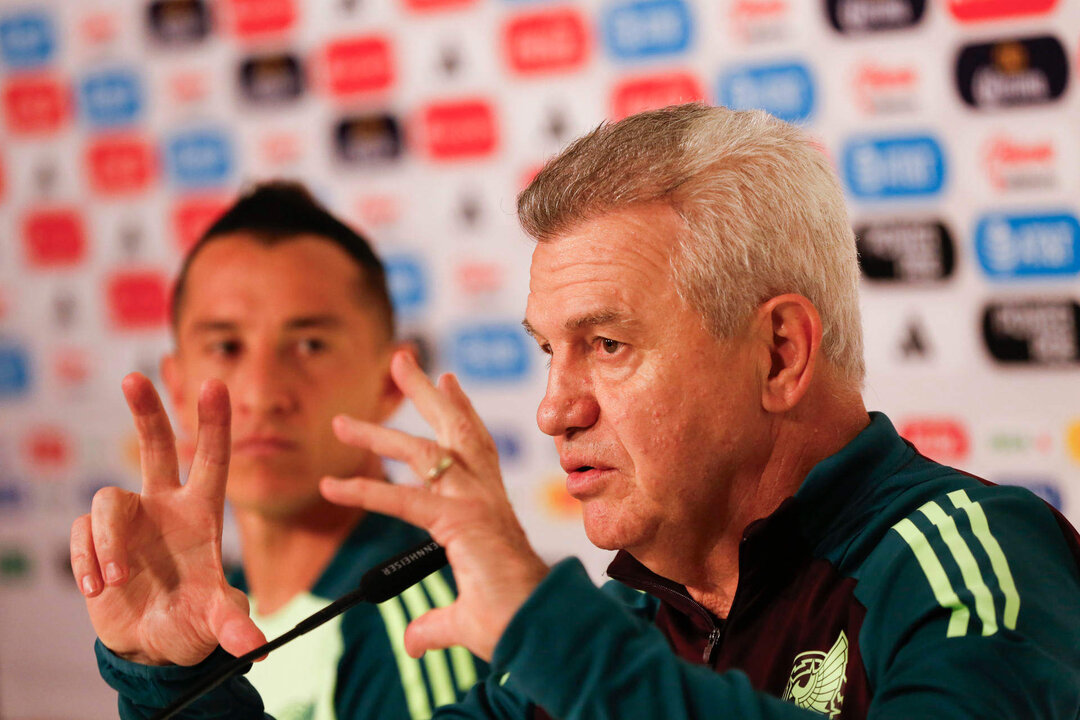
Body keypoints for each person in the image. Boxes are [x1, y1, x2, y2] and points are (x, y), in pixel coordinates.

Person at [76, 106, 1080, 719]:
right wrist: (172, 679)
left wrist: (551, 637)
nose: (555, 409)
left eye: (607, 345)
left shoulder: (967, 558)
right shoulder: (630, 617)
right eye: (546, 352)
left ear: (779, 354)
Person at [70, 182, 485, 720]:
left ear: (391, 381)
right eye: (225, 347)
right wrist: (160, 674)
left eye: (310, 345)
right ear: (175, 384)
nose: (263, 395)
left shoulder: (422, 616)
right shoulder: (204, 608)